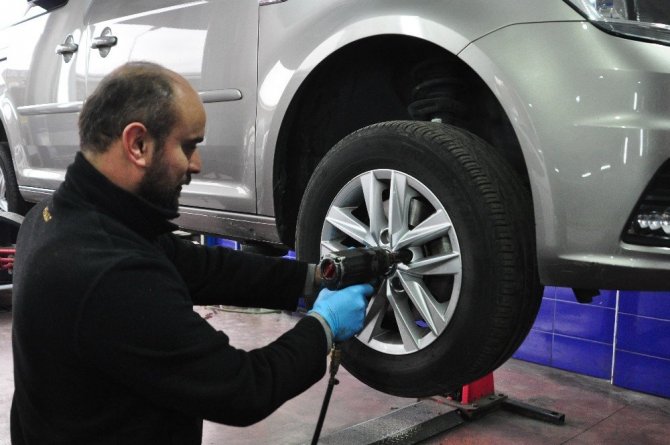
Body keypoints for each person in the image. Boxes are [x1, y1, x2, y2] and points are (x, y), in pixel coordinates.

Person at [10, 62, 373, 445]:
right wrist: (323, 326)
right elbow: (242, 389)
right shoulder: (107, 273)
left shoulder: (61, 217)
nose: (196, 164)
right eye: (188, 146)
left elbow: (202, 267)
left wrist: (313, 278)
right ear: (138, 144)